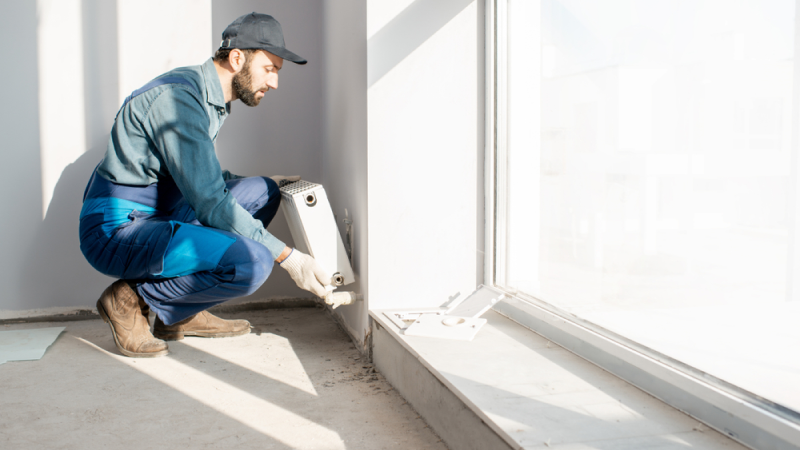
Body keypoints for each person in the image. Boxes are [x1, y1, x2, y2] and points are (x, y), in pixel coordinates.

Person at [79, 12, 332, 358]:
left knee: (263, 192)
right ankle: (128, 299)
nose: (274, 83)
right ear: (237, 57)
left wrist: (268, 182)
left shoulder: (206, 97)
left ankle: (177, 314)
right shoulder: (180, 102)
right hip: (117, 229)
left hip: (156, 212)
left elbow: (198, 177)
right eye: (270, 69)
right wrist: (288, 258)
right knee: (253, 261)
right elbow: (211, 201)